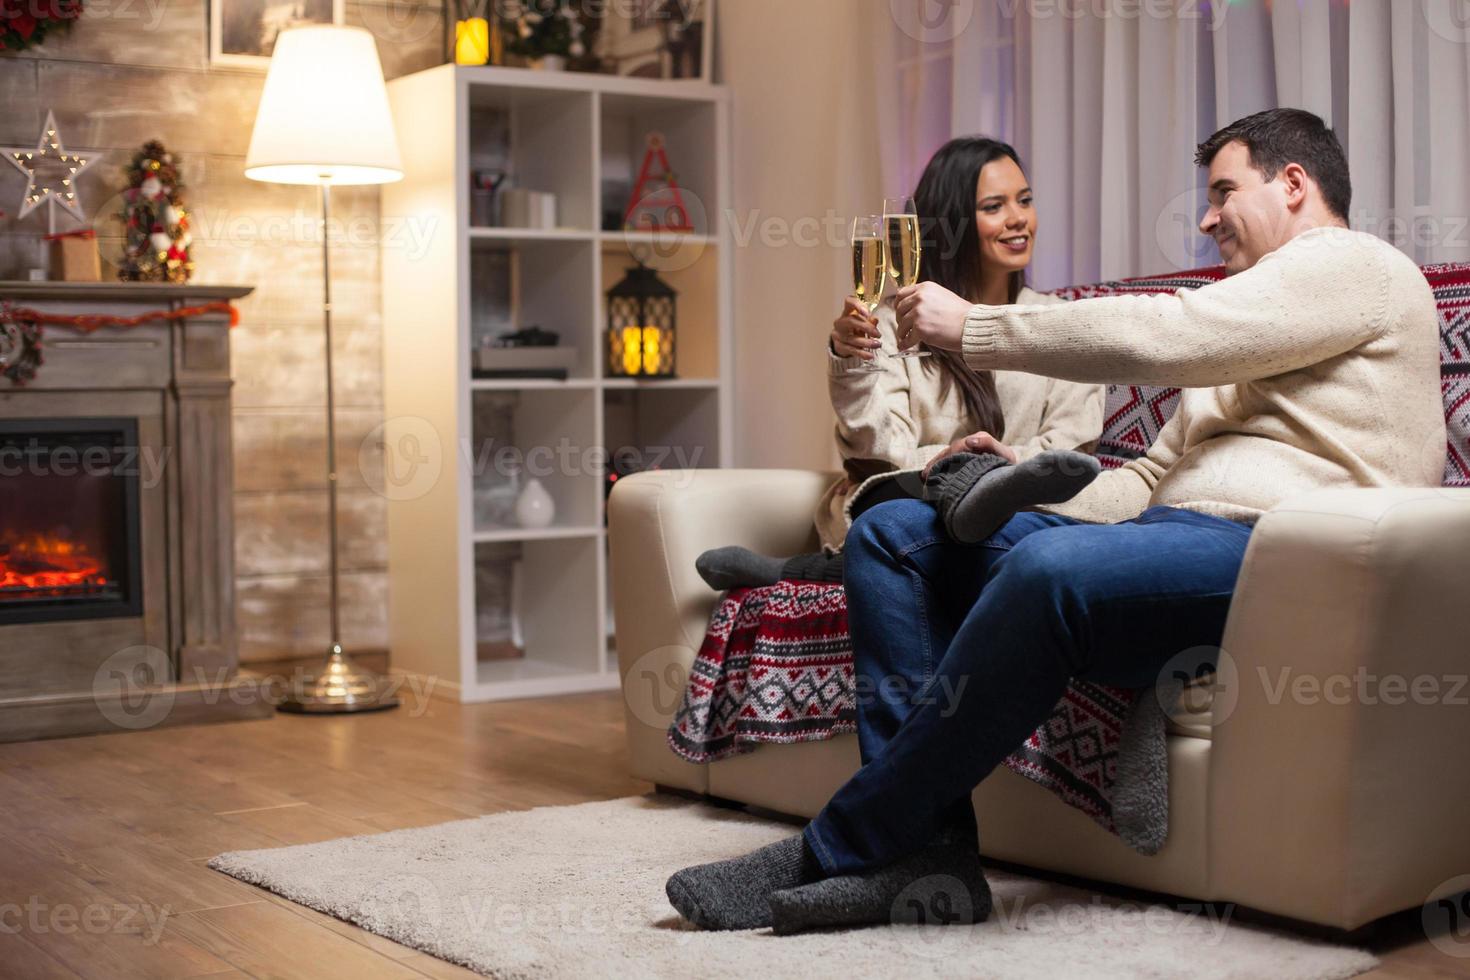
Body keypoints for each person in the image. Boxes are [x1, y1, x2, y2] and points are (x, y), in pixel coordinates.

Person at [664, 108, 1446, 935]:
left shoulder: (1360, 267)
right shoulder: (1254, 320)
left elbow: (1174, 333)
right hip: (1165, 539)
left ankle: (845, 843)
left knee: (1049, 573)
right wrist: (1015, 490)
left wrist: (971, 327)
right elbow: (1145, 479)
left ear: (1294, 184)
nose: (1208, 216)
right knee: (894, 537)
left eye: (1223, 191)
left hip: (1280, 557)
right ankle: (931, 856)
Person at [694, 137, 1106, 592]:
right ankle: (953, 505)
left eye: (1024, 200)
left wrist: (992, 467)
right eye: (994, 206)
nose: (1018, 219)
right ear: (952, 223)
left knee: (961, 516)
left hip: (1021, 517)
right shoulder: (893, 325)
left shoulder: (1057, 324)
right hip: (911, 507)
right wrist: (855, 366)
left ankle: (801, 572)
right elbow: (883, 456)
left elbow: (1070, 455)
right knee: (900, 505)